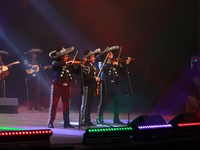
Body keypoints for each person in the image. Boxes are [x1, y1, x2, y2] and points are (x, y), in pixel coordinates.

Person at [96, 46, 131, 124]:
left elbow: (123, 71)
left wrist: (126, 64)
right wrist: (112, 64)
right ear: (106, 54)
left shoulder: (115, 62)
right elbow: (104, 68)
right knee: (103, 102)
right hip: (106, 85)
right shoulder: (102, 62)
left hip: (115, 85)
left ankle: (116, 119)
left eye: (111, 52)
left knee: (117, 101)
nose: (111, 54)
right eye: (109, 53)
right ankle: (99, 118)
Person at [48, 46, 80, 128]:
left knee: (66, 105)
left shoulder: (70, 64)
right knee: (54, 105)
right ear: (61, 56)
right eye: (65, 55)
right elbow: (56, 66)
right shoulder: (55, 62)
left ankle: (67, 122)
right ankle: (50, 122)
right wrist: (66, 63)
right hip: (57, 86)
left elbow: (76, 72)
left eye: (66, 55)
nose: (67, 56)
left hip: (66, 87)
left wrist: (80, 66)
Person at [80, 48, 101, 126]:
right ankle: (82, 121)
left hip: (91, 87)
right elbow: (85, 77)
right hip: (86, 87)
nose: (94, 58)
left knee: (90, 104)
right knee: (84, 104)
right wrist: (94, 79)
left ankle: (87, 120)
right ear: (88, 58)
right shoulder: (86, 66)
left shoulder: (92, 66)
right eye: (92, 57)